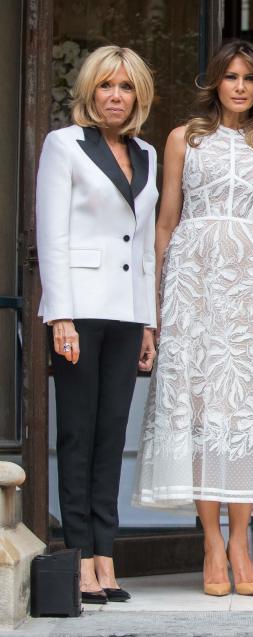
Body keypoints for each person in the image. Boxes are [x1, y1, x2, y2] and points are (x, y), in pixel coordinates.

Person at [134, 40, 253, 597]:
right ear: (215, 82)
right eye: (230, 77)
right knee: (198, 410)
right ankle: (211, 541)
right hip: (194, 287)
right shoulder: (184, 139)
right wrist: (157, 305)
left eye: (249, 78)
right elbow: (165, 223)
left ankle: (240, 540)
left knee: (244, 413)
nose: (239, 86)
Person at [37, 45, 157, 605]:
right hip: (79, 309)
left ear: (138, 96)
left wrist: (150, 322)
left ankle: (107, 555)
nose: (116, 96)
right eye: (107, 85)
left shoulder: (148, 153)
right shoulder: (65, 145)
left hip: (128, 312)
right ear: (90, 91)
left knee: (112, 436)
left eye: (126, 87)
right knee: (77, 436)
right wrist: (58, 313)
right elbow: (52, 234)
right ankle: (80, 557)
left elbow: (149, 248)